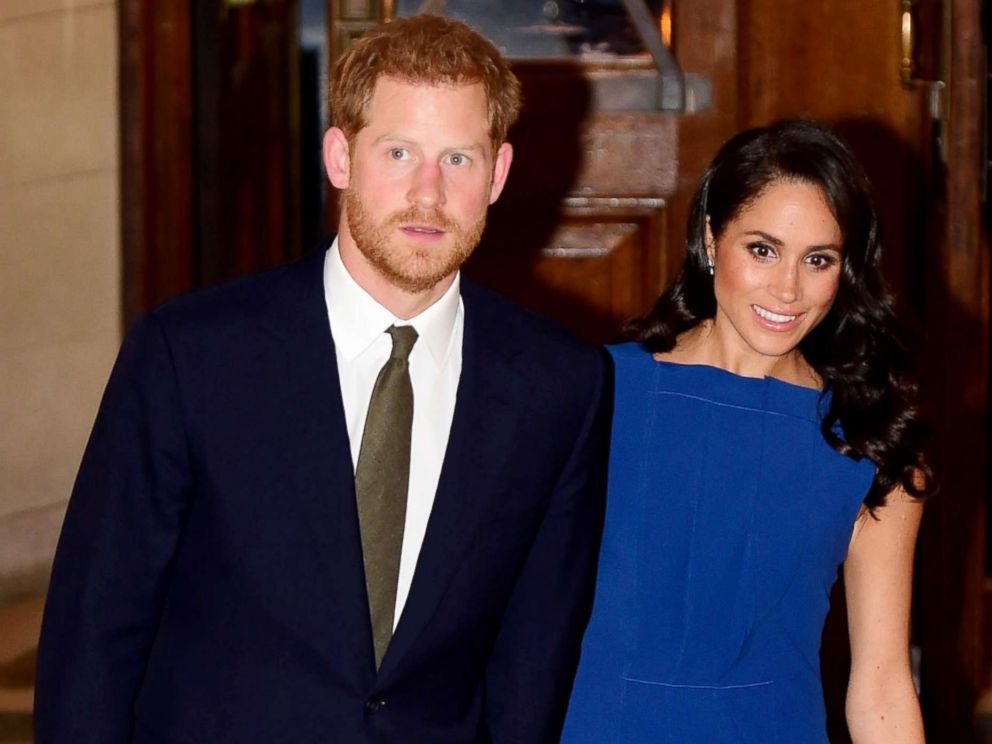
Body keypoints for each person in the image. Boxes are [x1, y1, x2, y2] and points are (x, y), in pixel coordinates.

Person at [34, 14, 611, 744]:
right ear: (340, 157)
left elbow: (534, 655)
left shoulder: (558, 385)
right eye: (398, 152)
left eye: (458, 159)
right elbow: (93, 633)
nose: (428, 194)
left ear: (497, 173)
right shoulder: (191, 357)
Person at [560, 119, 929, 743]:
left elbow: (882, 684)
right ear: (710, 237)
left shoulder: (868, 446)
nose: (788, 289)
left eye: (818, 260)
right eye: (762, 249)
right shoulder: (595, 393)